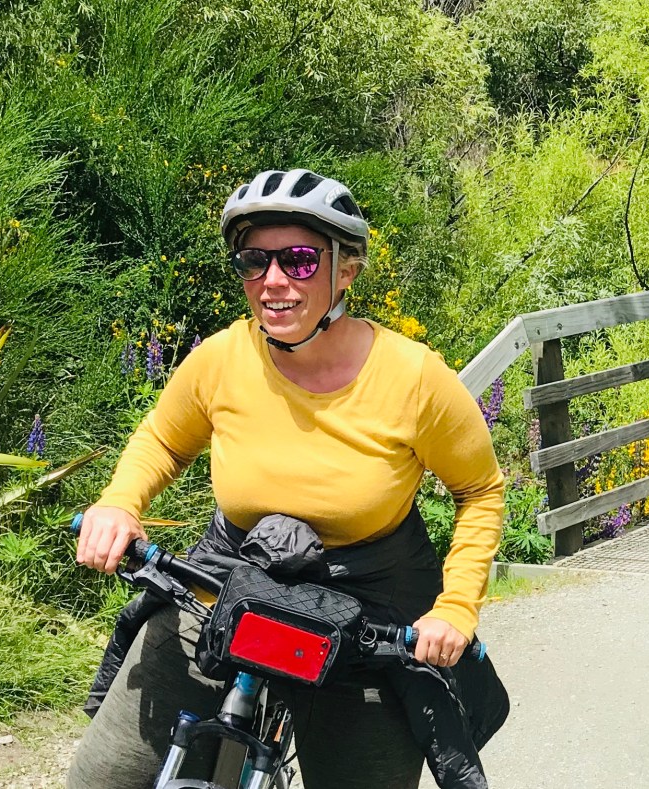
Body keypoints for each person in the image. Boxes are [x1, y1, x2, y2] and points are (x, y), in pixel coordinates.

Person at [67, 168, 506, 789]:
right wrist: (119, 504)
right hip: (232, 574)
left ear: (345, 270)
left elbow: (480, 490)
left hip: (366, 599)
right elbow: (163, 439)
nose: (274, 280)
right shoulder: (222, 358)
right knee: (104, 778)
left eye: (299, 260)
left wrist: (455, 608)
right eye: (255, 261)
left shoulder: (414, 378)